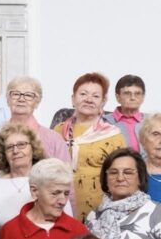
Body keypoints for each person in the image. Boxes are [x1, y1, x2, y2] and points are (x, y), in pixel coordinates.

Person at [53, 73, 126, 222]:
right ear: (73, 99)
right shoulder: (58, 131)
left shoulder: (113, 135)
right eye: (83, 94)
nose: (89, 99)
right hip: (60, 206)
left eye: (95, 96)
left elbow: (121, 176)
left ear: (103, 102)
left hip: (100, 213)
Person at [0, 76, 70, 177]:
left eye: (29, 95)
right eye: (15, 94)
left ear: (37, 102)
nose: (21, 99)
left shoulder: (54, 140)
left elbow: (66, 179)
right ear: (7, 100)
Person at [0, 122, 49, 227]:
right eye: (9, 147)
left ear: (33, 148)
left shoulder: (49, 183)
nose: (15, 151)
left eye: (21, 145)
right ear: (4, 154)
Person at [105, 74, 147, 152]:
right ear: (118, 97)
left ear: (143, 97)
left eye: (137, 93)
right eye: (127, 93)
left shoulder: (152, 122)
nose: (133, 98)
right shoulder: (103, 122)